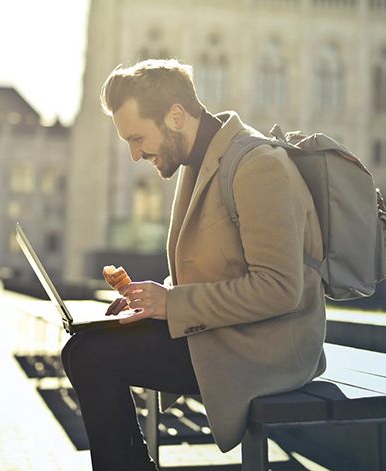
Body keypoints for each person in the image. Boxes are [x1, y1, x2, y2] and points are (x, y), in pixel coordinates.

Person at [61, 59, 327, 471]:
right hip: (227, 333)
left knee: (91, 356)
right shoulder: (199, 162)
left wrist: (172, 304)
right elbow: (218, 269)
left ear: (175, 116)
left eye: (137, 138)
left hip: (268, 349)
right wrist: (150, 300)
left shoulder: (258, 165)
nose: (135, 155)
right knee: (85, 347)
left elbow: (279, 288)